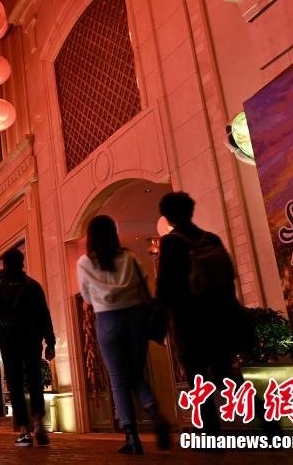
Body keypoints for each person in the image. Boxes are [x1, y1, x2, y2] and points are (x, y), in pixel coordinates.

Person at [156, 191, 263, 439]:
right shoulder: (211, 239)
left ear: (168, 216)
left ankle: (209, 431)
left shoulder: (171, 243)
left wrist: (161, 320)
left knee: (197, 378)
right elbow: (230, 280)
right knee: (226, 374)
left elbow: (166, 286)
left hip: (189, 322)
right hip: (219, 319)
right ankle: (264, 417)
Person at [78, 215, 172, 454]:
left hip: (108, 320)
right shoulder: (129, 257)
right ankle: (154, 412)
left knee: (119, 380)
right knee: (136, 375)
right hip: (135, 317)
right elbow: (144, 287)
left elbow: (87, 297)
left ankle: (132, 437)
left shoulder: (85, 263)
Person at [0, 247, 55, 447]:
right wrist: (50, 341)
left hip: (8, 338)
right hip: (32, 338)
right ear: (22, 264)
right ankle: (39, 422)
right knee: (34, 379)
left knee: (14, 383)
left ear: (4, 265)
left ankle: (24, 430)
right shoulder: (33, 286)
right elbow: (44, 315)